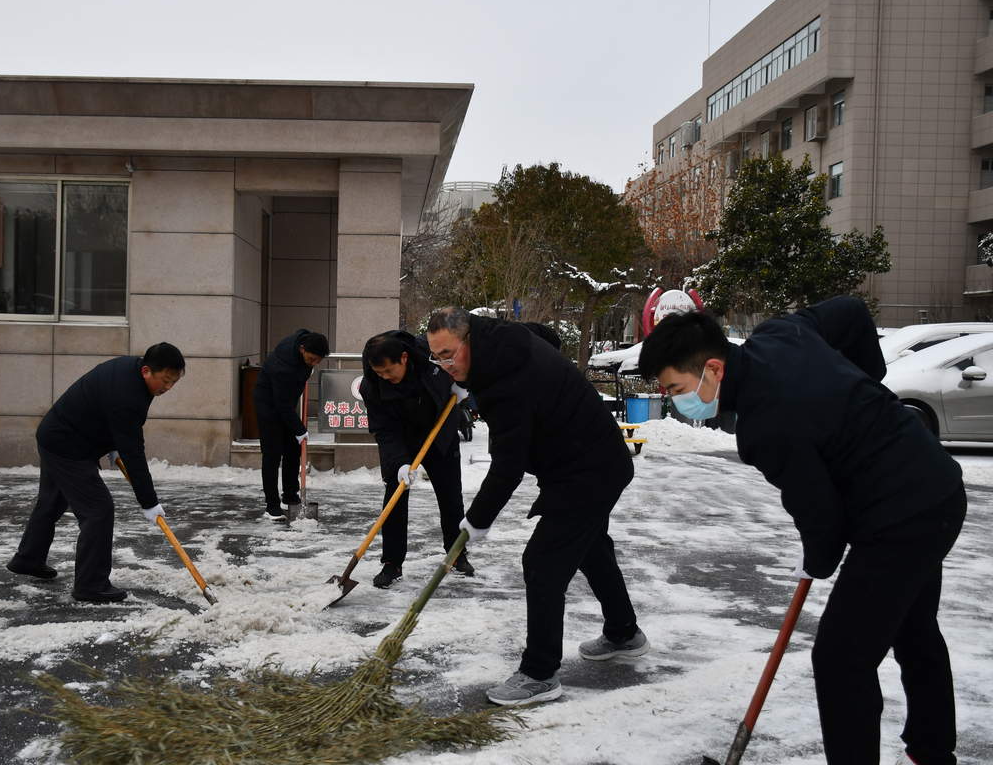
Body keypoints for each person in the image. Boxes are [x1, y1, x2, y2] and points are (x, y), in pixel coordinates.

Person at [637, 297, 966, 765]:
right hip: (937, 485)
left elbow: (824, 521)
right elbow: (851, 312)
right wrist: (863, 390)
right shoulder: (779, 334)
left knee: (840, 660)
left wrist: (818, 554)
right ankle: (932, 753)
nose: (674, 399)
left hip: (903, 516)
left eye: (676, 387)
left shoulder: (765, 426)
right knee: (913, 630)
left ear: (713, 369)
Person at [426, 308, 647, 707]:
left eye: (448, 355)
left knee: (543, 563)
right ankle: (624, 633)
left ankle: (540, 673)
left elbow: (508, 463)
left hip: (588, 469)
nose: (443, 365)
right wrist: (465, 380)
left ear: (470, 339)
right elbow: (542, 334)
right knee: (591, 549)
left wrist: (476, 520)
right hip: (585, 460)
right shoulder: (500, 343)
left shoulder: (507, 381)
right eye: (436, 357)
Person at [7, 342, 186, 603]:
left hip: (56, 434)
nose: (168, 388)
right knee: (98, 510)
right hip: (68, 446)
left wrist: (113, 444)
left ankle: (28, 559)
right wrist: (149, 502)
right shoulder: (130, 397)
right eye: (166, 380)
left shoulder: (129, 369)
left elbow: (104, 407)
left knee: (51, 501)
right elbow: (134, 452)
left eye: (174, 383)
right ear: (147, 371)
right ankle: (91, 584)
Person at [359, 331, 474, 588]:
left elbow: (465, 355)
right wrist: (399, 463)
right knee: (395, 497)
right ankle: (392, 563)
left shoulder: (430, 351)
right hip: (400, 438)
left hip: (438, 430)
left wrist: (461, 383)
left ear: (404, 357)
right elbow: (384, 429)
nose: (386, 377)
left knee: (450, 495)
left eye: (390, 371)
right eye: (380, 373)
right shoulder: (371, 386)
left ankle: (457, 554)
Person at [253, 329, 329, 520]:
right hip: (268, 404)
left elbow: (303, 332)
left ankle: (290, 495)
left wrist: (308, 367)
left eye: (317, 361)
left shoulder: (304, 341)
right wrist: (300, 429)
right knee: (272, 453)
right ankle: (272, 505)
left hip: (285, 401)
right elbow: (281, 404)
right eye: (311, 359)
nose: (313, 363)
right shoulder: (285, 365)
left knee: (293, 449)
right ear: (302, 349)